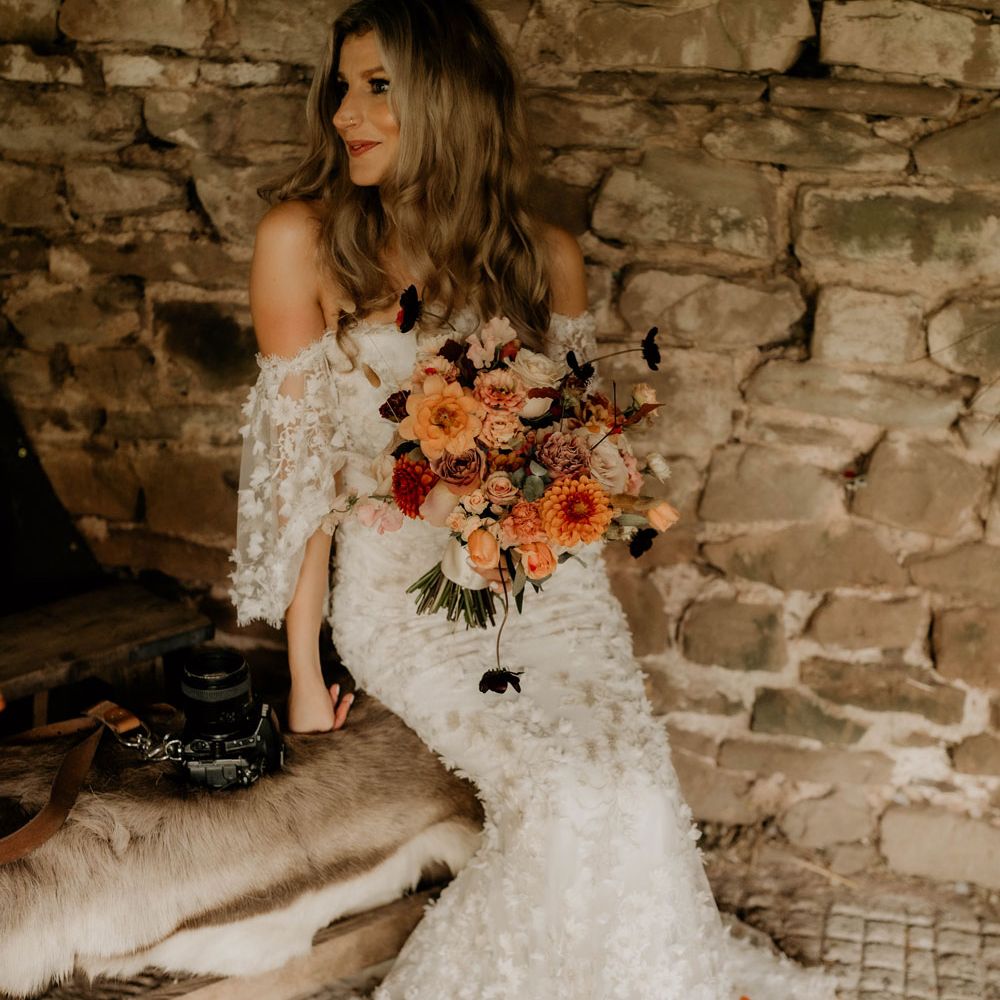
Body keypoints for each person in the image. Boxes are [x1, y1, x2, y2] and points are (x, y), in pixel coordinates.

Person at [229, 1, 844, 997]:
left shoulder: (543, 254)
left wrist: (543, 497)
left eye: (378, 86)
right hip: (405, 602)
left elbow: (575, 449)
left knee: (630, 785)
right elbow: (299, 478)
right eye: (342, 86)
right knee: (564, 795)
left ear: (449, 99)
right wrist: (304, 669)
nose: (345, 112)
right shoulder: (304, 242)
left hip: (548, 596)